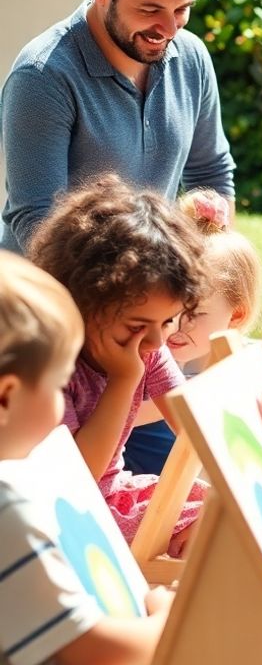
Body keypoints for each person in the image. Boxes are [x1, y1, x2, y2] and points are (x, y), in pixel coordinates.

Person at [0, 0, 234, 253]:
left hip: (153, 290)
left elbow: (211, 174)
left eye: (182, 9)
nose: (170, 30)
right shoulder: (42, 76)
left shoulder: (192, 57)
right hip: (51, 295)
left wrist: (210, 276)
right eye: (150, 10)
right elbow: (39, 223)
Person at [0, 252, 175, 665]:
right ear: (6, 396)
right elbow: (105, 654)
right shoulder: (7, 510)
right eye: (59, 385)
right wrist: (164, 618)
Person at [27, 175, 211, 555]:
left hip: (115, 494)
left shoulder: (146, 347)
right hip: (62, 516)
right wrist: (125, 379)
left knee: (220, 510)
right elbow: (76, 479)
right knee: (209, 535)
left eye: (167, 321)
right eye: (137, 326)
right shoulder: (52, 369)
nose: (157, 341)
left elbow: (196, 428)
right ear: (83, 302)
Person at [123, 189, 262, 475]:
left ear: (236, 314)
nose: (174, 325)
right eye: (171, 310)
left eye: (195, 314)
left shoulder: (236, 363)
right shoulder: (143, 353)